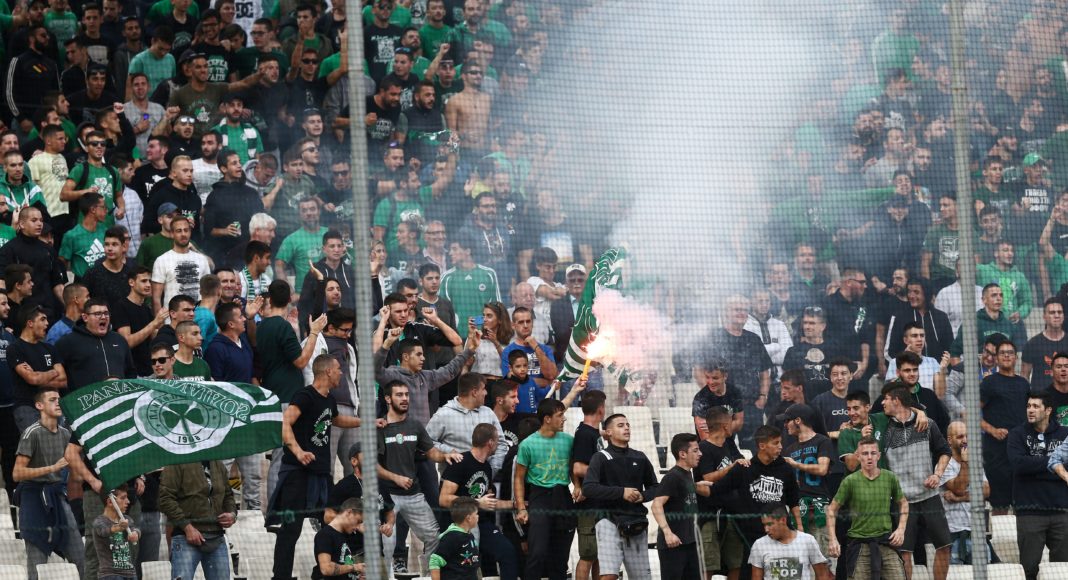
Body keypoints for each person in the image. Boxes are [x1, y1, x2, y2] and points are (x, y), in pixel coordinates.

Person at [270, 354, 362, 580]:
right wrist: (298, 452)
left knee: (331, 521)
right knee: (290, 530)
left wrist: (367, 421)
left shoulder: (329, 399)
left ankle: (324, 573)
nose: (341, 372)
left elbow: (336, 419)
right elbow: (284, 422)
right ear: (328, 371)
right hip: (297, 474)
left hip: (321, 475)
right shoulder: (304, 396)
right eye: (338, 369)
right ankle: (281, 577)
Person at [378, 380, 464, 573]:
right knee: (386, 539)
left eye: (406, 395)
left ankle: (427, 575)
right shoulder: (380, 427)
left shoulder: (415, 425)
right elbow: (372, 466)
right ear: (388, 399)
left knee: (434, 536)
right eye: (399, 395)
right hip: (387, 496)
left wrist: (445, 455)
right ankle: (387, 576)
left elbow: (431, 452)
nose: (405, 399)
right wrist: (395, 478)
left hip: (413, 494)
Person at [258, 280, 327, 501]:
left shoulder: (262, 326)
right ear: (289, 299)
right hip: (286, 398)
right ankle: (274, 509)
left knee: (283, 454)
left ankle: (281, 506)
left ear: (269, 299)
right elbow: (301, 361)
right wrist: (314, 333)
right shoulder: (282, 326)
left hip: (272, 394)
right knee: (282, 455)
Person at [14, 388, 84, 580]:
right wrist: (51, 468)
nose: (58, 402)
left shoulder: (65, 434)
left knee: (80, 556)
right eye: (52, 399)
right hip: (33, 499)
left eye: (59, 399)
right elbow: (17, 473)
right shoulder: (31, 433)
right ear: (39, 405)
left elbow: (75, 473)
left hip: (58, 497)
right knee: (36, 564)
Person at [715, 425, 803, 578]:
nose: (780, 446)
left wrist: (800, 527)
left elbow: (794, 501)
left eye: (780, 442)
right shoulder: (745, 468)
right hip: (752, 536)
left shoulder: (786, 469)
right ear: (762, 446)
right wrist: (695, 486)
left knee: (783, 576)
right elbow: (717, 489)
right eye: (776, 443)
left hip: (781, 534)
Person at [582, 412, 659, 580]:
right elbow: (588, 488)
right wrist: (622, 492)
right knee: (609, 575)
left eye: (628, 425)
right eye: (621, 425)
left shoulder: (640, 456)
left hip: (636, 522)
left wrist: (643, 496)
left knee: (642, 578)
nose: (626, 428)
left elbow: (655, 487)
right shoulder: (600, 457)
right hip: (608, 520)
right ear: (608, 432)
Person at [438, 422, 518, 580]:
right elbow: (443, 499)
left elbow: (487, 502)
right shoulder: (460, 463)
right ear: (490, 443)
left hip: (481, 521)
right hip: (459, 524)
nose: (498, 445)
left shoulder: (486, 467)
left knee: (507, 551)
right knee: (468, 566)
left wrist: (515, 504)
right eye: (497, 441)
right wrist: (476, 502)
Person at [826, 437, 907, 580]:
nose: (869, 457)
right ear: (858, 456)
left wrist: (901, 529)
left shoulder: (890, 478)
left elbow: (903, 502)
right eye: (865, 453)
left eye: (873, 453)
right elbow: (831, 509)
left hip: (886, 541)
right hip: (859, 544)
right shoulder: (850, 481)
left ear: (878, 456)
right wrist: (833, 539)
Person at [1009, 391, 1068, 580]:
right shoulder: (1017, 434)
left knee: (1063, 569)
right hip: (1029, 512)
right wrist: (1055, 463)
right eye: (1028, 406)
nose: (1030, 410)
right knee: (1029, 569)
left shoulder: (1065, 434)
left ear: (1048, 410)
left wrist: (1034, 468)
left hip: (1062, 511)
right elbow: (1018, 464)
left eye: (1035, 406)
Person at [375, 323, 478, 427]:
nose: (423, 358)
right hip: (399, 435)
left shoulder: (425, 377)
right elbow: (375, 370)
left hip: (424, 435)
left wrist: (471, 349)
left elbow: (450, 370)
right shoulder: (392, 376)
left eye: (423, 355)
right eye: (418, 355)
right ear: (406, 357)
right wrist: (387, 344)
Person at [158, 457, 237, 580]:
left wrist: (232, 514)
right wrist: (187, 527)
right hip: (185, 537)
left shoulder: (218, 463)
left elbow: (228, 495)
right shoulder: (177, 461)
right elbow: (165, 499)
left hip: (217, 536)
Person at [695, 407, 747, 578]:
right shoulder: (703, 448)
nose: (734, 425)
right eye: (731, 421)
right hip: (710, 515)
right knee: (708, 564)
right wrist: (731, 467)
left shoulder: (729, 445)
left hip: (732, 513)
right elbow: (708, 477)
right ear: (725, 425)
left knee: (735, 563)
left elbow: (742, 464)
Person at [979, 338, 1030, 513]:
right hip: (996, 452)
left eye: (1010, 353)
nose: (1006, 356)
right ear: (996, 358)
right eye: (1002, 353)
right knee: (999, 504)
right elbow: (971, 413)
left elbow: (1030, 413)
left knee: (1022, 503)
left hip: (1020, 450)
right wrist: (992, 430)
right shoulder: (989, 382)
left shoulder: (1024, 383)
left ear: (1016, 357)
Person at [652, 433, 710, 580]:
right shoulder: (672, 477)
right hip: (673, 546)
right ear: (682, 454)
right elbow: (656, 505)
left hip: (689, 543)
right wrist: (668, 533)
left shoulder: (687, 475)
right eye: (695, 450)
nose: (700, 454)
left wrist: (696, 486)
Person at [780, 403, 835, 556]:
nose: (785, 425)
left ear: (798, 420)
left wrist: (796, 464)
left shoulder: (822, 441)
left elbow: (822, 469)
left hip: (819, 507)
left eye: (787, 420)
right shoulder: (789, 449)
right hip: (798, 511)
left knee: (822, 558)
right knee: (801, 559)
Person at [427, 372, 509, 472]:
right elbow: (426, 443)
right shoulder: (443, 414)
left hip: (484, 478)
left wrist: (492, 470)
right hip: (453, 479)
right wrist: (448, 450)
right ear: (474, 392)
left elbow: (501, 444)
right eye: (483, 389)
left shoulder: (488, 413)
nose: (486, 393)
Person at [939, 421, 994, 565]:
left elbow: (986, 491)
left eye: (967, 436)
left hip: (977, 535)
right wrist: (965, 463)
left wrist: (958, 499)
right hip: (953, 536)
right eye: (960, 437)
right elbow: (959, 488)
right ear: (949, 440)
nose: (965, 440)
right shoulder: (944, 464)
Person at [55, 297, 136, 390]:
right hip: (85, 397)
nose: (103, 317)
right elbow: (59, 378)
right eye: (98, 314)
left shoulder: (119, 340)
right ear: (85, 317)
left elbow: (131, 372)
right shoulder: (68, 342)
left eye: (106, 313)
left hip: (119, 396)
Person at [9, 306, 68, 433]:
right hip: (28, 406)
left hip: (53, 405)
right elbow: (32, 378)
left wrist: (37, 377)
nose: (47, 323)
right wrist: (53, 372)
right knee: (38, 444)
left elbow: (63, 380)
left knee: (61, 443)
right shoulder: (15, 348)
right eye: (42, 319)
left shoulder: (50, 348)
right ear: (30, 323)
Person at [441, 231, 502, 339]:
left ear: (467, 251)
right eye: (450, 249)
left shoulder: (489, 274)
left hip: (484, 337)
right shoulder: (447, 277)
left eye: (454, 249)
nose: (450, 253)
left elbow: (497, 309)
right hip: (458, 338)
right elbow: (443, 312)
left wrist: (477, 322)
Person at [749, 503, 832, 580]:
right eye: (764, 525)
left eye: (770, 524)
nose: (766, 529)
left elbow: (822, 575)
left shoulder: (807, 541)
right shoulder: (759, 545)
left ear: (783, 520)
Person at [112, 266, 170, 377]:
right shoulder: (121, 306)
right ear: (131, 282)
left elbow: (153, 338)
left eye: (149, 281)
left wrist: (160, 324)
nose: (148, 285)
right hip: (131, 372)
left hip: (148, 370)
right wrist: (154, 323)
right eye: (143, 281)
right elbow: (127, 342)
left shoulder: (146, 308)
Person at [150, 216, 211, 311]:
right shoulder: (162, 260)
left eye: (186, 230)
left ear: (190, 232)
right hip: (172, 318)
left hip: (198, 316)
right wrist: (159, 320)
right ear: (172, 234)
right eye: (179, 231)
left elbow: (208, 294)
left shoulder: (202, 259)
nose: (183, 234)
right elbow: (156, 298)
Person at [91, 484, 139, 580]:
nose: (128, 501)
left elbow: (135, 529)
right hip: (110, 574)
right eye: (123, 498)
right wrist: (119, 527)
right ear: (110, 502)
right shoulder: (99, 522)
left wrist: (136, 534)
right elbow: (104, 531)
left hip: (130, 573)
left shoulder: (127, 519)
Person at [313, 497, 366, 579]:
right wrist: (355, 567)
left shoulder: (345, 536)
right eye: (358, 521)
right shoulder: (325, 535)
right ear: (349, 512)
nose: (357, 527)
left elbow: (344, 568)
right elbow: (326, 569)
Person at [429, 497, 481, 580]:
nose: (478, 516)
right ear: (469, 518)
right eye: (476, 514)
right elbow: (435, 561)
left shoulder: (469, 535)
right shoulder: (452, 537)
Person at [1022, 299, 1068, 390]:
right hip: (1041, 397)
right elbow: (1024, 376)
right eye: (1052, 312)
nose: (1056, 315)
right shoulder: (1032, 344)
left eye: (1059, 312)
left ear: (1063, 316)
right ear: (1044, 317)